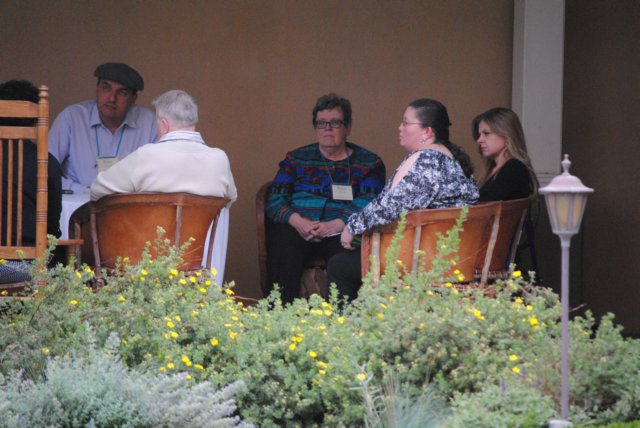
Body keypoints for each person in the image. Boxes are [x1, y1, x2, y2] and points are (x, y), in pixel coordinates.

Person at [327, 98, 479, 303]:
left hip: (423, 262)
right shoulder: (450, 159)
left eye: (406, 123)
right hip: (450, 258)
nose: (400, 128)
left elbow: (390, 206)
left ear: (427, 132)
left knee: (339, 266)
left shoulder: (427, 161)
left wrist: (352, 227)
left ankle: (347, 323)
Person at [265, 93, 386, 304]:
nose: (327, 129)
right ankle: (278, 315)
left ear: (348, 127)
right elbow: (275, 199)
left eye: (335, 123)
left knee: (346, 259)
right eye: (321, 123)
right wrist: (297, 221)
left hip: (342, 231)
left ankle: (343, 317)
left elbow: (371, 201)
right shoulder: (296, 159)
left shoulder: (369, 163)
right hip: (298, 229)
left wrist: (337, 224)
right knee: (283, 247)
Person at [90, 89, 237, 203]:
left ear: (165, 125)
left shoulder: (146, 156)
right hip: (201, 235)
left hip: (153, 235)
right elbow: (230, 198)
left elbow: (98, 189)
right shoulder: (219, 158)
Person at [49, 62, 157, 194]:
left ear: (133, 99)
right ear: (97, 89)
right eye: (106, 88)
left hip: (128, 202)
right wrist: (84, 191)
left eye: (122, 92)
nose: (112, 98)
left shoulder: (149, 122)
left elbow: (160, 174)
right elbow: (44, 171)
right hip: (79, 201)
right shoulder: (72, 118)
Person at [0, 80, 63, 283]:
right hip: (24, 267)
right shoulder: (46, 162)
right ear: (35, 120)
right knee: (61, 256)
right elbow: (51, 229)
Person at [472, 107, 538, 201]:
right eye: (479, 135)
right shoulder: (492, 169)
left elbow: (485, 204)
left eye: (486, 133)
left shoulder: (514, 168)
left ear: (506, 135)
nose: (479, 140)